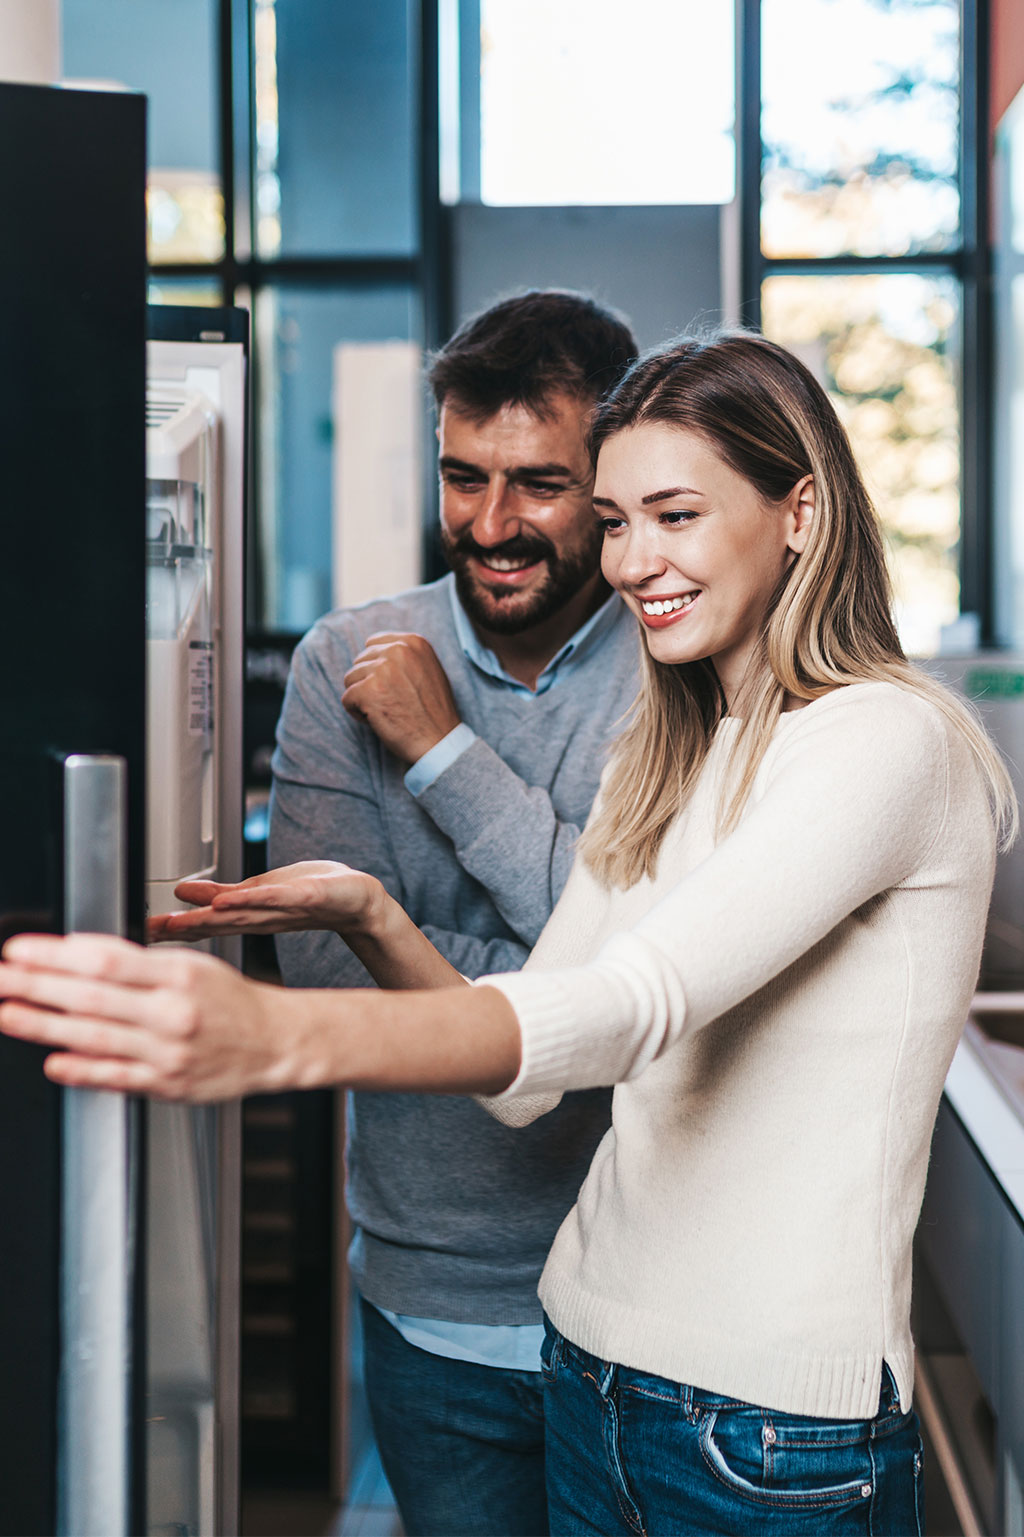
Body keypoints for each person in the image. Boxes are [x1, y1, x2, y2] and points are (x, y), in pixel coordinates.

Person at [1, 331, 1014, 1537]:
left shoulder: (886, 739)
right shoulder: (677, 744)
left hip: (762, 1431)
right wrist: (373, 914)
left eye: (675, 515)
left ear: (799, 510)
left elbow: (631, 1006)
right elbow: (536, 1070)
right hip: (590, 1365)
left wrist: (277, 1033)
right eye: (619, 519)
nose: (636, 561)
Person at [228, 292, 643, 1536]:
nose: (492, 524)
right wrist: (562, 953)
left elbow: (655, 971)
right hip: (430, 1301)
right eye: (464, 478)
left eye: (539, 484)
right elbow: (318, 967)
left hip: (646, 1306)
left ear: (612, 479)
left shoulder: (680, 659)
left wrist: (443, 752)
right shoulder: (343, 656)